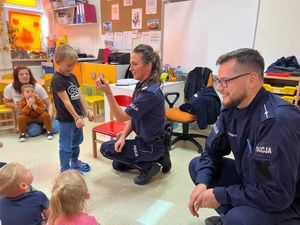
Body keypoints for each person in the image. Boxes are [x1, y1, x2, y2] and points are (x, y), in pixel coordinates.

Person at [188, 48, 300, 225]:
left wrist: (221, 195)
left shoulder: (277, 121)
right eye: (219, 80)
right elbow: (211, 152)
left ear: (252, 79)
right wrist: (202, 183)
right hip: (253, 180)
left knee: (238, 218)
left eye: (225, 82)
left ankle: (236, 218)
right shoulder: (231, 109)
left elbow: (278, 194)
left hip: (287, 201)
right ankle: (231, 218)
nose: (218, 88)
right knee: (198, 167)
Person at [96, 44, 171, 185]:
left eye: (135, 64)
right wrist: (123, 137)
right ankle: (159, 156)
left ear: (148, 66)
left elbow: (121, 118)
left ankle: (149, 165)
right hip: (145, 141)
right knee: (117, 165)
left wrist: (108, 92)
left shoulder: (149, 93)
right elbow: (132, 117)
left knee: (106, 148)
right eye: (130, 63)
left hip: (150, 145)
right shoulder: (141, 85)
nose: (130, 68)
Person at [51, 44, 94, 173]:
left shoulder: (73, 77)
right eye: (68, 65)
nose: (71, 68)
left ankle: (74, 162)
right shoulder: (57, 79)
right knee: (65, 146)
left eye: (73, 65)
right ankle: (65, 170)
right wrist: (76, 117)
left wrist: (86, 111)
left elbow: (79, 95)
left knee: (76, 142)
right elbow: (66, 101)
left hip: (77, 118)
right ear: (58, 62)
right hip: (66, 119)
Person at [3, 66, 59, 136]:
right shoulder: (10, 88)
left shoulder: (37, 87)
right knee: (33, 132)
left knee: (54, 128)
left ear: (30, 76)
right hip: (28, 117)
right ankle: (42, 127)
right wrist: (15, 105)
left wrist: (50, 117)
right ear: (16, 77)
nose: (25, 76)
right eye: (21, 74)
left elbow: (49, 103)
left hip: (41, 113)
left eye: (27, 74)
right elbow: (6, 102)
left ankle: (48, 125)